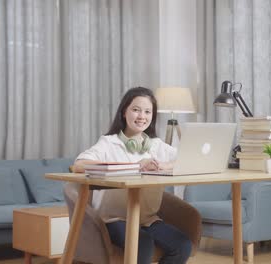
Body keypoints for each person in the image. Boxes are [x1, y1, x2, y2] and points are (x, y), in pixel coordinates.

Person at [74, 87, 192, 264]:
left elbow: (188, 158)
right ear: (124, 112)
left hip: (147, 220)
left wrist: (163, 165)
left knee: (182, 245)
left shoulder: (156, 145)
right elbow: (79, 165)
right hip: (113, 219)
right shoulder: (108, 143)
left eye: (147, 111)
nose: (142, 116)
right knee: (141, 243)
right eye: (136, 110)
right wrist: (135, 166)